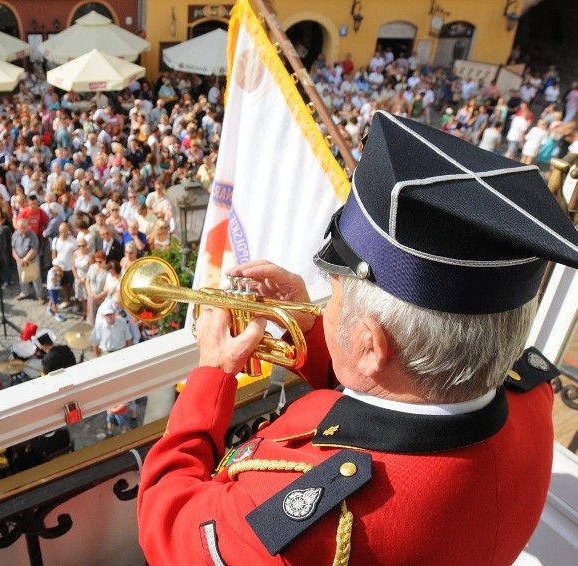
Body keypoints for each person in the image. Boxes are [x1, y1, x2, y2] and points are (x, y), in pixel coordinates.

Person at [136, 111, 578, 565]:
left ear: (369, 345)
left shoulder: (300, 520)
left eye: (332, 296)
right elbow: (399, 390)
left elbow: (167, 525)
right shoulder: (532, 396)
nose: (323, 306)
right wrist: (314, 330)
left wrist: (211, 374)